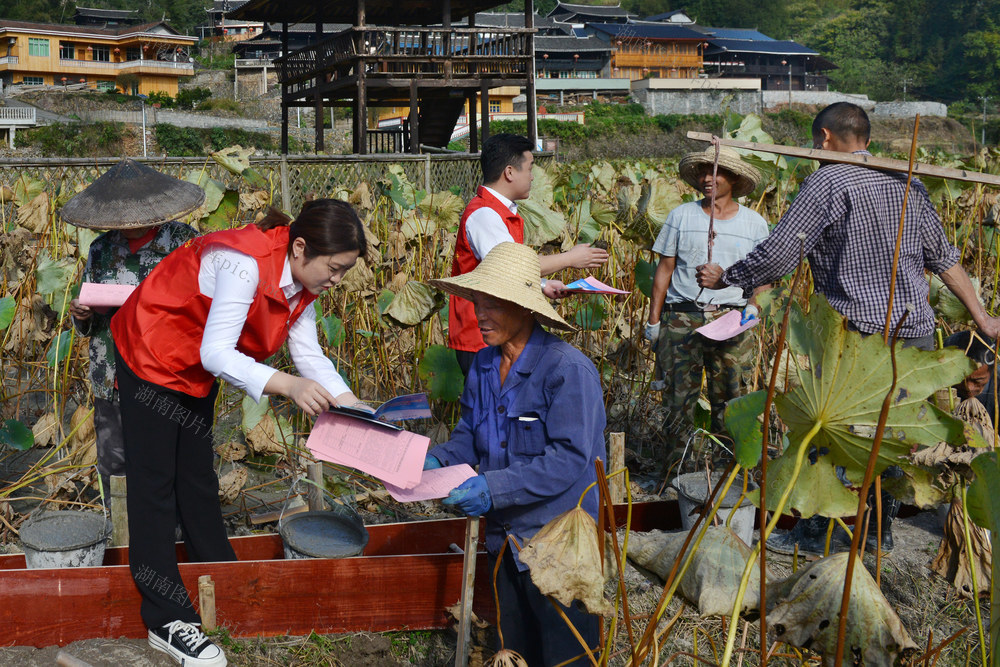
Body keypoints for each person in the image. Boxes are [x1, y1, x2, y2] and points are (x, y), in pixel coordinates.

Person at [695, 102, 1000, 555]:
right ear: (867, 140)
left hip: (857, 332)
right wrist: (982, 317)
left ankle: (820, 533)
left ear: (823, 139)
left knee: (833, 427)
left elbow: (781, 254)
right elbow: (945, 259)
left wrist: (727, 278)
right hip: (913, 333)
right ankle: (878, 533)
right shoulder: (908, 180)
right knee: (894, 434)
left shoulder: (827, 181)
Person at [110, 199, 370, 667]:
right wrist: (288, 386)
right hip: (151, 353)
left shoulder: (302, 286)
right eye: (334, 268)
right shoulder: (243, 264)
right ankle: (166, 620)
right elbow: (216, 353)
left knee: (195, 476)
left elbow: (308, 355)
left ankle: (223, 575)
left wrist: (353, 405)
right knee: (154, 488)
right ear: (301, 248)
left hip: (191, 365)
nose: (336, 281)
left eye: (344, 272)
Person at [426, 242, 605, 666]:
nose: (479, 314)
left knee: (566, 653)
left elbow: (568, 458)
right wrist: (438, 460)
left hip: (558, 541)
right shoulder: (485, 366)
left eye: (493, 305)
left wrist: (492, 487)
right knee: (515, 648)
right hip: (504, 539)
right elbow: (471, 435)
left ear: (525, 308)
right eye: (477, 303)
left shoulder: (567, 370)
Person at [62, 159, 201, 500]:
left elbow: (201, 306)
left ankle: (172, 535)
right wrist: (81, 313)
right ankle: (123, 534)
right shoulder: (101, 249)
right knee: (114, 460)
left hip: (165, 374)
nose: (127, 226)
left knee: (165, 460)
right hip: (111, 371)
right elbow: (89, 315)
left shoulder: (183, 243)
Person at [643, 146, 768, 467]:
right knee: (677, 399)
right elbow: (664, 271)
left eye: (715, 172)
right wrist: (654, 322)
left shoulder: (754, 224)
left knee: (732, 398)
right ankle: (680, 471)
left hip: (733, 318)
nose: (706, 178)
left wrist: (753, 309)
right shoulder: (680, 216)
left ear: (734, 178)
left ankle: (730, 470)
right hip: (682, 316)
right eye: (702, 172)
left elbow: (764, 276)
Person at [449, 132, 609, 374]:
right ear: (510, 172)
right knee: (491, 408)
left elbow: (505, 276)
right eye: (530, 168)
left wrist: (542, 284)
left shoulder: (498, 211)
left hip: (498, 331)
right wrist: (570, 259)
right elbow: (507, 267)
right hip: (481, 336)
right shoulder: (484, 214)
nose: (533, 176)